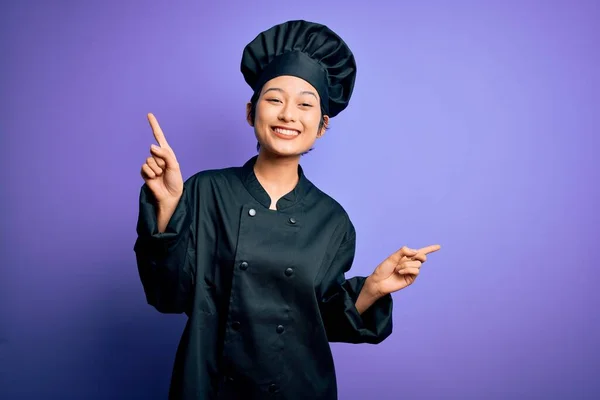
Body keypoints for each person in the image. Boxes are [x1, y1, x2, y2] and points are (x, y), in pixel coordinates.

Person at [134, 19, 441, 400]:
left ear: (322, 126)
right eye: (275, 99)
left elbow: (321, 320)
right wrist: (166, 209)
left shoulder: (332, 221)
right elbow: (168, 297)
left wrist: (373, 289)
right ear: (251, 112)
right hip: (209, 384)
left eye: (305, 104)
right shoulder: (205, 191)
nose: (287, 114)